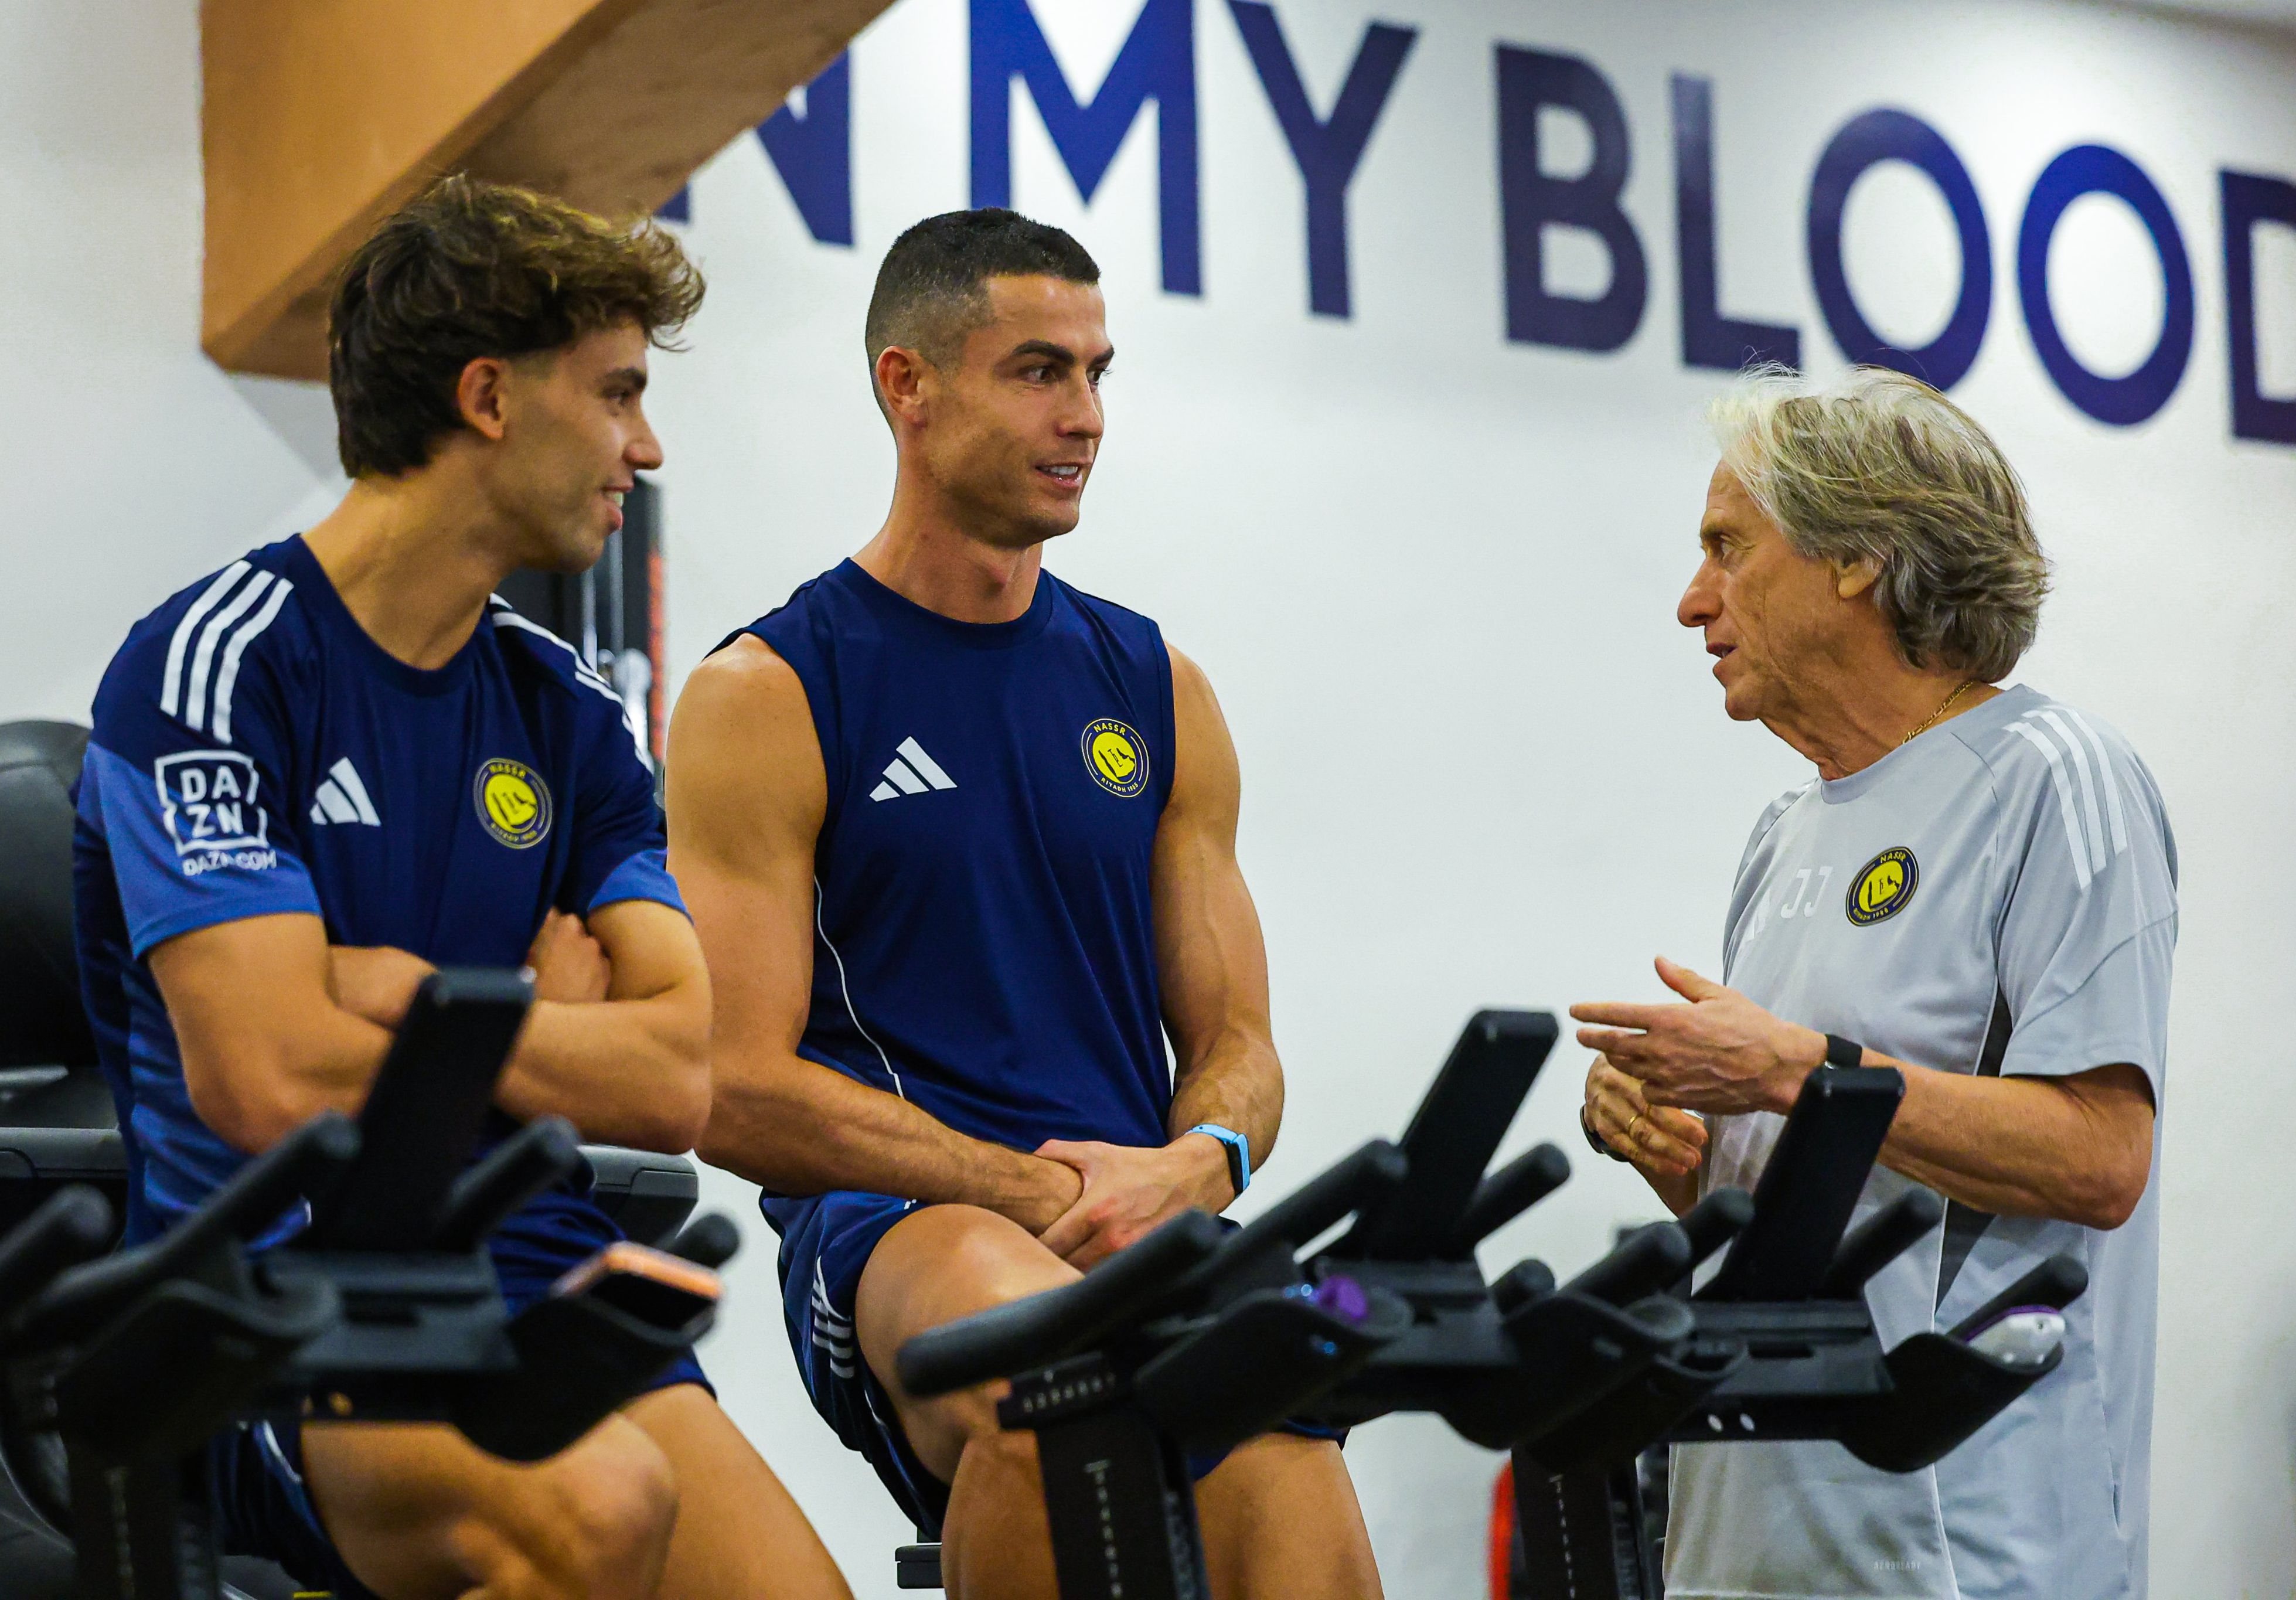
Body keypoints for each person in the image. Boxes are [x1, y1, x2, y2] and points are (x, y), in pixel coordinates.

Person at [72, 178, 852, 1600]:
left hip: (529, 1269)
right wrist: (544, 1033)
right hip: (278, 1306)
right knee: (600, 1510)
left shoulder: (564, 710)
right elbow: (260, 1078)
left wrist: (408, 996)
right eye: (616, 394)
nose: (645, 444)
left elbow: (679, 1076)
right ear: (490, 398)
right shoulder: (214, 666)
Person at [667, 208, 1382, 1600]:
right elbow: (728, 1088)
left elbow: (1238, 1046)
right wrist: (1028, 1185)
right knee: (1048, 1385)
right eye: (1039, 371)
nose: (1086, 417)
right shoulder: (767, 694)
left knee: (1290, 1429)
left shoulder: (1155, 688)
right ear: (907, 386)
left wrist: (1201, 1166)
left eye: (1098, 374)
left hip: (1138, 1212)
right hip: (895, 1223)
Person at [1573, 367, 2174, 1600]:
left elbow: (2098, 1158)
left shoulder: (2051, 777)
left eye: (1726, 549)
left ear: (1854, 556)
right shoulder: (1782, 831)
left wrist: (1790, 1070)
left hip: (1963, 1542)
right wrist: (1681, 1148)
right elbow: (1820, 1194)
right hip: (1750, 1534)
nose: (1693, 602)